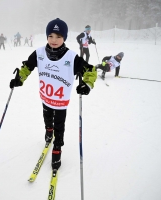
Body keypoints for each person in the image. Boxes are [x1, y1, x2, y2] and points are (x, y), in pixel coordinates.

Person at [9, 18, 97, 170]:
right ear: (46, 36)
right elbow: (27, 67)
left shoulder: (71, 57)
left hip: (61, 101)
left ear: (64, 38)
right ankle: (48, 131)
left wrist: (87, 84)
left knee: (60, 126)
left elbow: (90, 70)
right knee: (47, 118)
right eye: (51, 36)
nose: (54, 40)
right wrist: (20, 78)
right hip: (45, 97)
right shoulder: (39, 53)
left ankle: (57, 148)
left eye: (58, 36)